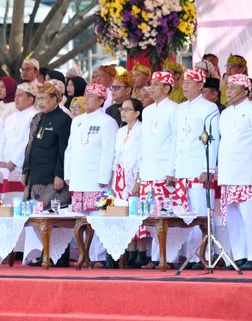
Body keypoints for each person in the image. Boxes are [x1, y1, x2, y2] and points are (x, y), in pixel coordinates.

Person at [217, 74, 252, 271]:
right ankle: (239, 256)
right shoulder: (225, 113)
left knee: (250, 216)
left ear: (246, 91)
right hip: (228, 173)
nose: (228, 91)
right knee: (233, 218)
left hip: (248, 173)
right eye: (227, 87)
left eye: (233, 88)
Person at [172, 69, 219, 269]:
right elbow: (176, 140)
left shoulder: (210, 108)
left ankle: (205, 255)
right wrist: (173, 169)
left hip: (200, 169)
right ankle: (190, 257)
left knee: (201, 214)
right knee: (186, 216)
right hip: (182, 168)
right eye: (184, 82)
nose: (185, 85)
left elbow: (213, 140)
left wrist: (209, 168)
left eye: (190, 82)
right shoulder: (180, 108)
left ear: (200, 85)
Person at [134, 72, 178, 269]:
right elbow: (143, 144)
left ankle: (167, 257)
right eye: (150, 84)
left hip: (163, 170)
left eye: (155, 85)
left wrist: (171, 170)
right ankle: (154, 256)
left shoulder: (174, 109)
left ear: (167, 88)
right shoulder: (148, 111)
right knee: (149, 216)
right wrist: (140, 175)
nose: (150, 88)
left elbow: (175, 142)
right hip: (148, 171)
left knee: (164, 216)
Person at [64, 83, 117, 213]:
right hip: (78, 178)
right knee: (80, 219)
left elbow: (109, 151)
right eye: (85, 95)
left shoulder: (108, 121)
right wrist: (68, 174)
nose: (86, 98)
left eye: (91, 96)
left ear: (100, 101)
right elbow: (70, 148)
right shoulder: (77, 121)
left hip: (97, 181)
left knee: (101, 216)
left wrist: (104, 177)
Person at [23, 82, 72, 211]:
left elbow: (65, 150)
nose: (40, 102)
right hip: (34, 174)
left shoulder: (63, 119)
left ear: (55, 99)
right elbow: (29, 146)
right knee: (32, 214)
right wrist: (25, 171)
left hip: (51, 177)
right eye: (38, 98)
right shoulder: (37, 118)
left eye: (43, 98)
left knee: (48, 215)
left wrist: (60, 175)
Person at [112, 98, 147, 267]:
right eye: (122, 109)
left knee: (136, 213)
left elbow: (142, 156)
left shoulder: (142, 130)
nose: (123, 112)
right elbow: (116, 156)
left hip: (134, 174)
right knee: (122, 214)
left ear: (137, 113)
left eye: (127, 109)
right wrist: (113, 179)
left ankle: (142, 251)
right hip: (120, 177)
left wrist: (139, 181)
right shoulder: (121, 131)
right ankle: (130, 250)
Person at [0, 83, 37, 189]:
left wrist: (14, 161)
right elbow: (2, 141)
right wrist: (0, 160)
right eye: (15, 96)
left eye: (20, 95)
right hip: (4, 168)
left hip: (20, 167)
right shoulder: (10, 118)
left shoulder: (35, 116)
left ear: (30, 99)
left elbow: (28, 142)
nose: (16, 99)